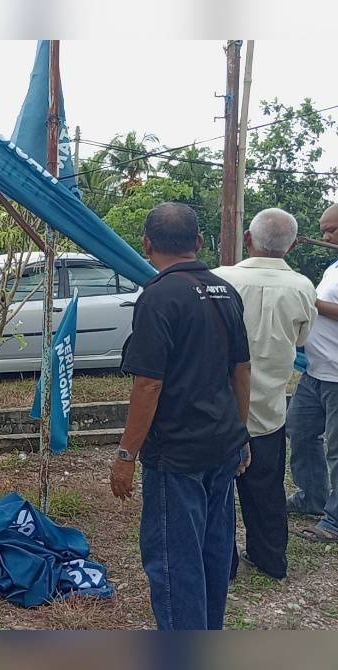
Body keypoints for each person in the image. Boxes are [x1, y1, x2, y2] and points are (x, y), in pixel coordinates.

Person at [110, 202, 252, 630]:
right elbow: (241, 370)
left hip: (177, 454)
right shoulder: (226, 291)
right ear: (199, 242)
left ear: (147, 244)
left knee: (174, 562)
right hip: (221, 444)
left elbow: (148, 385)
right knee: (212, 552)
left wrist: (125, 455)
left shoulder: (157, 297)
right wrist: (240, 433)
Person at [212, 208, 317, 579]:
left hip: (222, 410)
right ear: (290, 245)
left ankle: (223, 565)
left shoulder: (219, 279)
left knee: (218, 493)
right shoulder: (304, 287)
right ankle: (271, 559)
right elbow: (302, 339)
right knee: (268, 491)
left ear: (247, 238)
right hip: (270, 408)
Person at [287, 203, 338, 542]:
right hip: (317, 371)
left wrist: (310, 300)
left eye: (331, 229)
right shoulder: (333, 267)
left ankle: (334, 521)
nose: (325, 236)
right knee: (300, 431)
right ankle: (312, 498)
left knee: (337, 449)